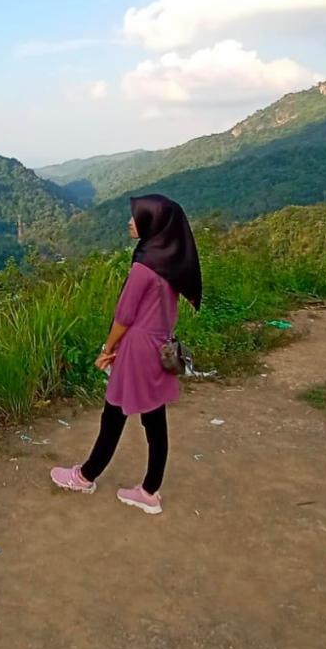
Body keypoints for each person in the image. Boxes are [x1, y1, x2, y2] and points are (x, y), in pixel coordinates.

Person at [50, 194, 201, 515]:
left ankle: (85, 477)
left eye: (136, 217)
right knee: (154, 421)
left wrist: (108, 349)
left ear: (152, 224)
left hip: (137, 351)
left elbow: (124, 317)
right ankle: (149, 490)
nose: (130, 222)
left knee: (113, 415)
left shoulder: (144, 268)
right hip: (159, 347)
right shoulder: (171, 265)